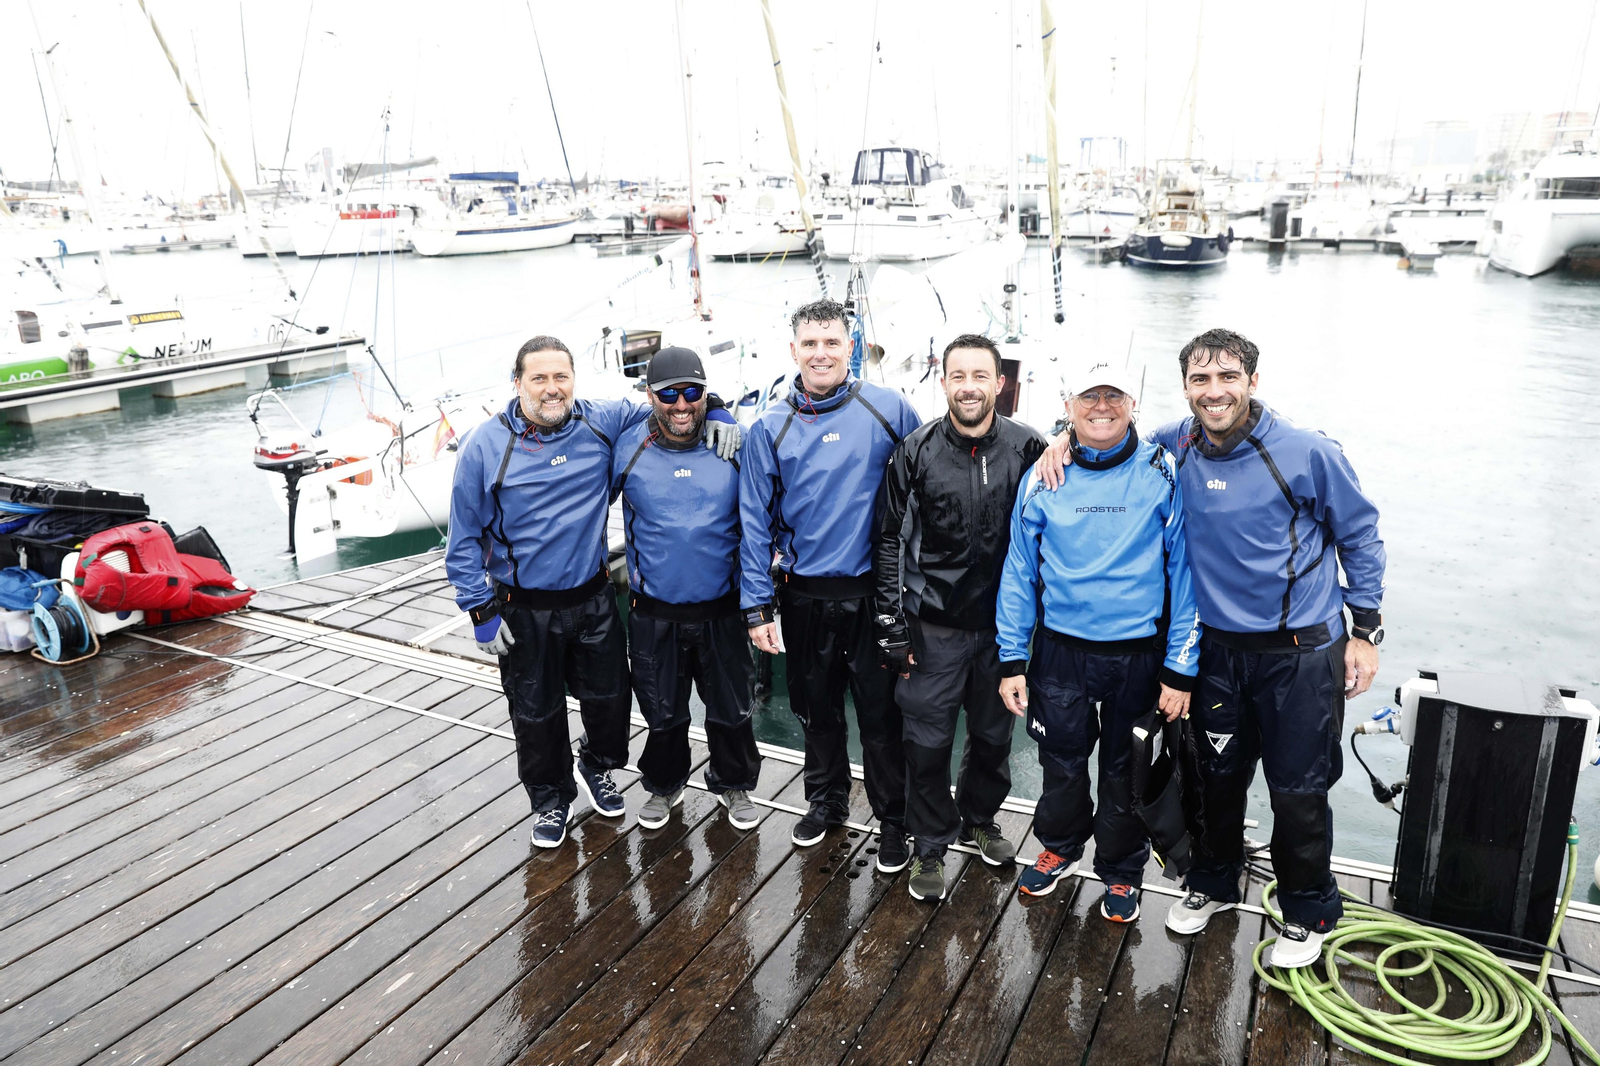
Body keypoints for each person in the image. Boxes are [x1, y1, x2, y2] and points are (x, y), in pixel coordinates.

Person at [1035, 328, 1385, 966]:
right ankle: (1214, 882)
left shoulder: (1307, 452)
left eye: (1229, 377)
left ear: (1253, 381)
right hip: (1219, 653)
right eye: (1201, 379)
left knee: (1297, 787)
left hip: (1301, 653)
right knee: (1215, 778)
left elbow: (1360, 534)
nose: (1215, 391)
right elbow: (1109, 431)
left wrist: (1366, 630)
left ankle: (1308, 909)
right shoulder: (1179, 442)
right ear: (1187, 389)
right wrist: (1060, 440)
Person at [446, 335, 741, 849]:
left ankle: (597, 765)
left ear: (574, 380)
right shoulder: (484, 446)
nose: (552, 388)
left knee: (610, 702)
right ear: (517, 384)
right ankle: (550, 800)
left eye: (561, 376)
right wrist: (478, 608)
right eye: (538, 378)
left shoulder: (599, 419)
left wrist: (717, 408)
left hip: (594, 597)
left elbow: (669, 400)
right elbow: (464, 535)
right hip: (523, 606)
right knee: (536, 714)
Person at [995, 358, 1200, 921]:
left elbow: (1185, 574)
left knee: (1125, 770)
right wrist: (1012, 659)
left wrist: (1181, 668)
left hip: (1139, 655)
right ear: (1068, 405)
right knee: (1060, 760)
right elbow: (1020, 570)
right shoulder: (1044, 474)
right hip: (1061, 652)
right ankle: (1059, 845)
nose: (1102, 407)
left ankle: (1122, 869)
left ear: (1134, 402)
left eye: (1114, 395)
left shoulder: (1164, 469)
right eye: (1090, 396)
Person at [741, 298, 923, 870]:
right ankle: (827, 801)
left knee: (880, 714)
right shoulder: (770, 426)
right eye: (809, 343)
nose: (821, 353)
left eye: (831, 342)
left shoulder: (890, 407)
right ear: (792, 351)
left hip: (876, 593)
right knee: (815, 710)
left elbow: (932, 474)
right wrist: (756, 609)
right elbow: (753, 521)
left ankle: (893, 820)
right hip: (803, 592)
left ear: (852, 347)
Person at [873, 334, 1045, 901]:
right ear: (941, 381)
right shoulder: (915, 451)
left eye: (980, 376)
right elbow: (890, 542)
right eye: (957, 376)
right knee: (926, 742)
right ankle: (929, 841)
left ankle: (978, 816)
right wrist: (891, 624)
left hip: (1004, 628)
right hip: (934, 625)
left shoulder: (1030, 448)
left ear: (1000, 383)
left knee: (994, 738)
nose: (968, 386)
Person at [612, 347, 762, 832]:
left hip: (722, 609)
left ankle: (732, 782)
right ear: (649, 395)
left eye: (693, 393)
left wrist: (720, 409)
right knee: (662, 709)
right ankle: (664, 784)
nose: (682, 405)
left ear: (705, 392)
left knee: (731, 707)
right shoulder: (626, 445)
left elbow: (762, 525)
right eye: (669, 394)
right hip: (654, 611)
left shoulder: (733, 445)